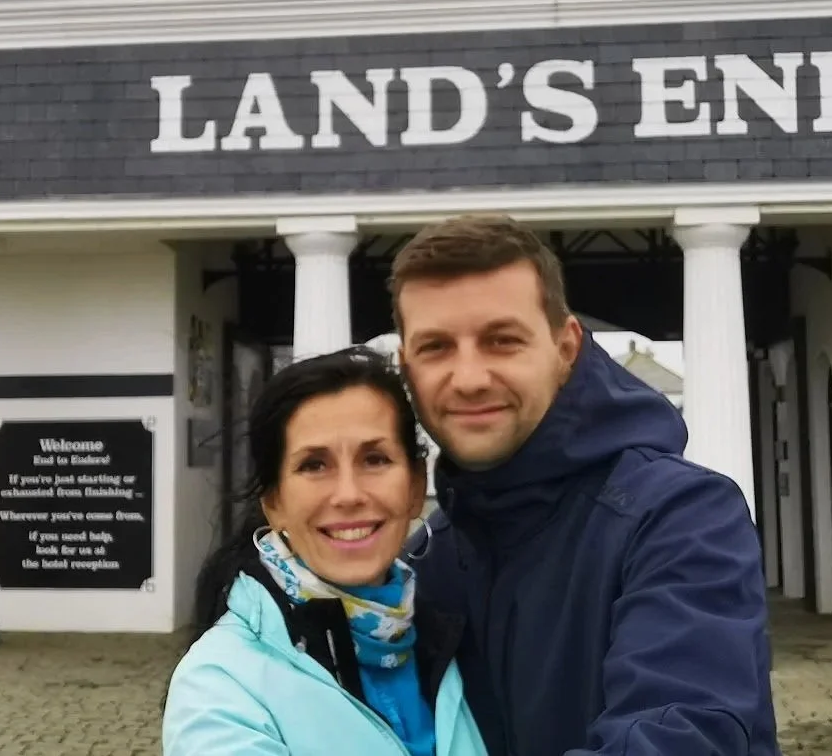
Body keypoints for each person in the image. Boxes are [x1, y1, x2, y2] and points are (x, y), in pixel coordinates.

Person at [393, 214, 779, 756]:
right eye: (436, 347)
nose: (471, 378)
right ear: (406, 367)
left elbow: (680, 735)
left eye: (502, 340)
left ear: (566, 348)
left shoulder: (681, 517)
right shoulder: (427, 559)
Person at [162, 346, 491, 756]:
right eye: (314, 465)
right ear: (274, 502)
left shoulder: (457, 642)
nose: (349, 495)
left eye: (375, 459)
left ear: (414, 486)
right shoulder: (220, 685)